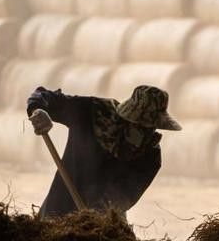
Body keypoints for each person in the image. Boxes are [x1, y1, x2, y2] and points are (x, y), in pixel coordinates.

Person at [27, 84, 181, 219]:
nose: (145, 131)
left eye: (150, 126)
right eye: (139, 124)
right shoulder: (92, 113)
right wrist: (38, 110)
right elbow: (42, 96)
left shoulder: (150, 156)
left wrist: (95, 220)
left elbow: (122, 198)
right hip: (57, 210)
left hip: (101, 226)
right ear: (127, 117)